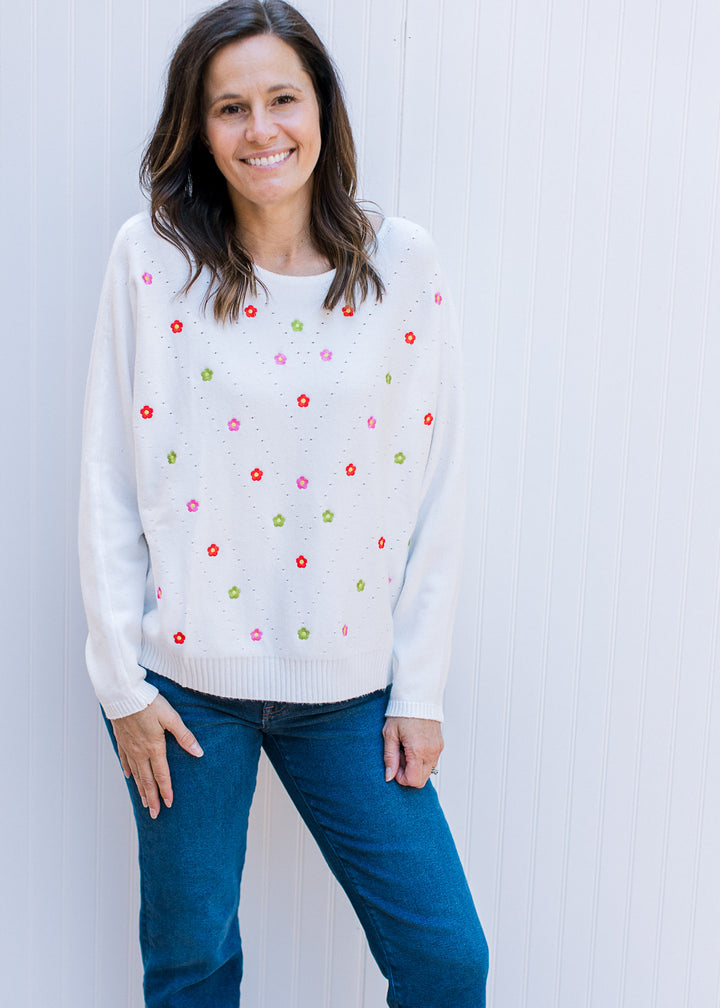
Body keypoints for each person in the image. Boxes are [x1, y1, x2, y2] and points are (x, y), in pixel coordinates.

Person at [79, 1, 488, 1005]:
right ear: (198, 126)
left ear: (322, 110)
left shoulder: (405, 267)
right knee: (191, 961)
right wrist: (122, 686)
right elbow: (107, 479)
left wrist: (420, 689)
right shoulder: (152, 258)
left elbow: (440, 484)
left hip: (351, 690)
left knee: (446, 958)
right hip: (183, 691)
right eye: (229, 108)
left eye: (280, 100)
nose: (260, 130)